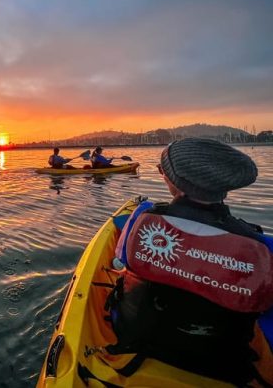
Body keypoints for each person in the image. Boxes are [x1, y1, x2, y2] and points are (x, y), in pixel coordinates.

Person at [108, 138, 273, 385]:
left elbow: (123, 261)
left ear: (174, 183)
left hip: (135, 337)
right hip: (222, 362)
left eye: (162, 171)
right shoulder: (262, 246)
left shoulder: (142, 219)